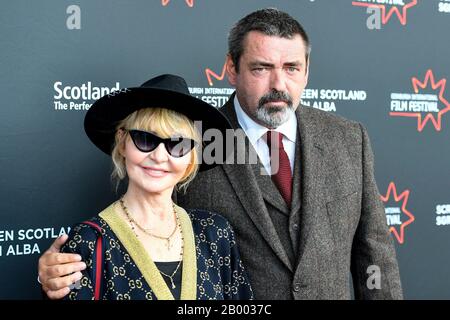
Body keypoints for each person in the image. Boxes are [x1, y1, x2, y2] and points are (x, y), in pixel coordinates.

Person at [38, 8, 402, 299]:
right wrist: (57, 274)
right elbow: (140, 237)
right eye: (261, 68)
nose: (279, 84)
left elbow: (374, 252)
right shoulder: (191, 137)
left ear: (307, 72)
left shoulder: (348, 138)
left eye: (292, 68)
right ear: (231, 68)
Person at [44, 73, 253, 300]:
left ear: (190, 158)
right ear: (122, 143)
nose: (159, 156)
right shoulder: (90, 241)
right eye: (145, 139)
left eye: (178, 144)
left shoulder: (214, 232)